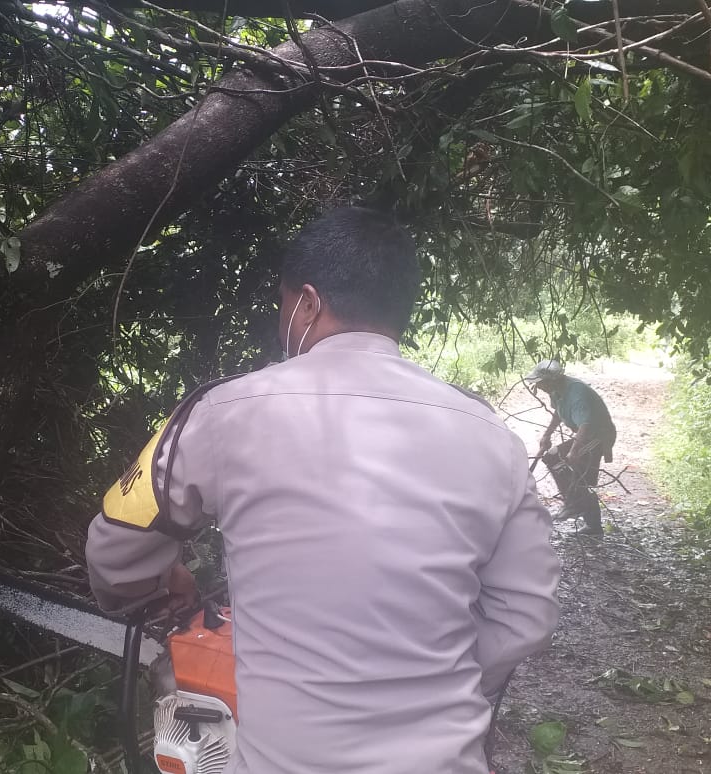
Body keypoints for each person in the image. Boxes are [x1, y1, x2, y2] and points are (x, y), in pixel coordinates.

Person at [85, 207, 560, 774]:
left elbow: (114, 554)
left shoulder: (222, 412)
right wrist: (426, 669)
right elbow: (528, 612)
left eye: (284, 306)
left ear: (307, 303)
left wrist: (159, 587)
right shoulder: (493, 436)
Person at [525, 359, 617, 536]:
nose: (540, 387)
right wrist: (547, 434)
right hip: (587, 433)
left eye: (541, 383)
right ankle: (577, 506)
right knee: (552, 457)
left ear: (551, 381)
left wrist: (574, 450)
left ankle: (583, 513)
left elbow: (586, 425)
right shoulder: (557, 391)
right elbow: (558, 414)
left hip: (597, 436)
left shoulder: (576, 393)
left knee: (582, 477)